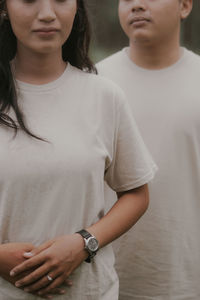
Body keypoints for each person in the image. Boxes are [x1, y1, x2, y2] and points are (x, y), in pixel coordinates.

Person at [0, 0, 157, 299]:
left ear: (77, 8)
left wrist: (84, 243)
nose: (47, 14)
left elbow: (136, 193)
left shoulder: (104, 97)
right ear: (5, 7)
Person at [97, 0, 200, 299]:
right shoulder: (94, 83)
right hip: (105, 279)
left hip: (188, 280)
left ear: (184, 6)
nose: (137, 5)